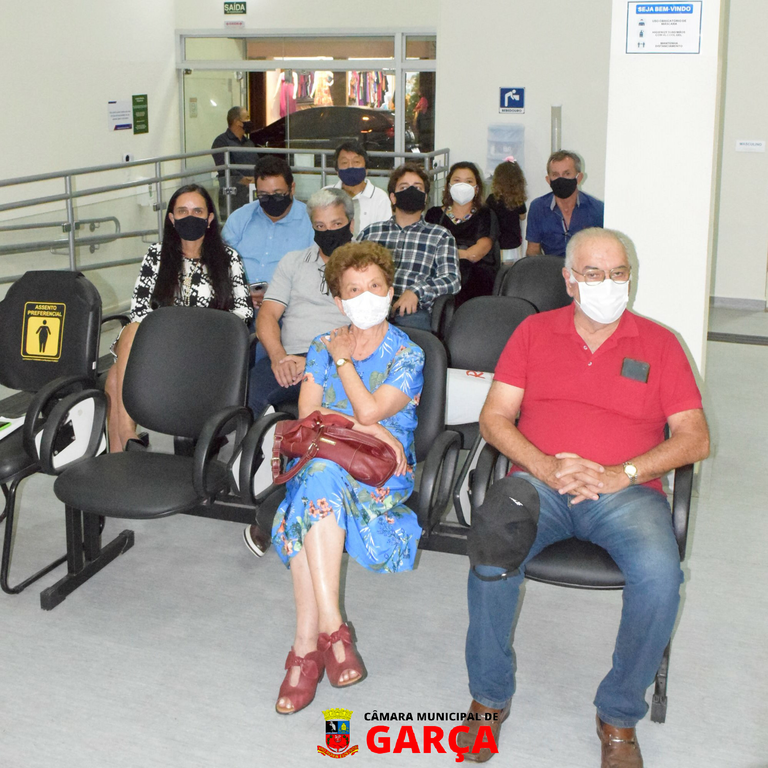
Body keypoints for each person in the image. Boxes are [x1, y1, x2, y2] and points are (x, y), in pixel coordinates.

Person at [458, 228, 710, 765]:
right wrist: (544, 465)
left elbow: (695, 438)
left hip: (627, 493)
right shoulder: (533, 332)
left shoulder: (660, 343)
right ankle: (489, 696)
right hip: (540, 484)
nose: (608, 284)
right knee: (491, 551)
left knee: (661, 578)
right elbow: (494, 417)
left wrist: (624, 472)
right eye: (594, 274)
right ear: (569, 280)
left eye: (619, 273)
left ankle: (618, 712)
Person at [270, 241, 425, 715]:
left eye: (375, 286)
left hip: (380, 471)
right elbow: (308, 413)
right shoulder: (322, 343)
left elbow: (370, 409)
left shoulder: (408, 353)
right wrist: (371, 428)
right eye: (354, 290)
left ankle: (306, 648)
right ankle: (330, 632)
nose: (367, 296)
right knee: (318, 478)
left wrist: (343, 364)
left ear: (390, 290)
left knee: (307, 496)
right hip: (326, 458)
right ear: (339, 302)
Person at [105, 184, 252, 452]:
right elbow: (140, 307)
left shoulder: (228, 258)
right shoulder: (157, 254)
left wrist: (195, 329)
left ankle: (123, 446)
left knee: (115, 378)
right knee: (132, 332)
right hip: (162, 345)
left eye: (197, 211)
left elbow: (242, 312)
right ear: (172, 219)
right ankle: (125, 442)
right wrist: (169, 333)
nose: (190, 217)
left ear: (209, 218)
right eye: (182, 211)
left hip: (208, 347)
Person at [247, 187, 353, 420]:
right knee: (248, 399)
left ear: (351, 224)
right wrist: (278, 358)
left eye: (336, 224)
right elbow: (267, 315)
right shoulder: (292, 262)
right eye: (320, 226)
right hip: (288, 358)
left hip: (342, 361)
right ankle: (250, 446)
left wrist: (314, 362)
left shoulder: (366, 266)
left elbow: (371, 328)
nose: (328, 232)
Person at [357, 162, 460, 331]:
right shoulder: (371, 233)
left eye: (417, 188)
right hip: (370, 307)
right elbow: (351, 270)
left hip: (412, 312)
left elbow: (452, 279)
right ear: (393, 197)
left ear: (425, 197)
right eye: (404, 187)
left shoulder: (440, 236)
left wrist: (417, 291)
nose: (411, 191)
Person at [221, 156, 314, 312]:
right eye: (263, 194)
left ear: (292, 189)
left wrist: (278, 295)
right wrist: (242, 292)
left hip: (292, 309)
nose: (271, 200)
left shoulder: (312, 222)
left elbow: (318, 273)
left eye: (278, 193)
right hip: (240, 305)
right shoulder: (240, 218)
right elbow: (220, 264)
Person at [425, 161, 495, 307]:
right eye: (457, 180)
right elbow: (427, 251)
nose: (462, 186)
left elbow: (476, 253)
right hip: (440, 274)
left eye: (469, 181)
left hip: (476, 277)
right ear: (448, 186)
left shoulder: (485, 214)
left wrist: (447, 255)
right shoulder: (434, 214)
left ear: (476, 188)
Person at [525, 150, 604, 257]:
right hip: (550, 266)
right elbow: (533, 250)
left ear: (579, 178)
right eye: (555, 174)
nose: (561, 179)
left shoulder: (597, 209)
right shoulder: (538, 208)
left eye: (567, 174)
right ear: (548, 180)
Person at [327, 141, 391, 234]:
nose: (350, 166)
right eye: (344, 162)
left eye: (356, 162)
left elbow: (383, 234)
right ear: (337, 171)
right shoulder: (326, 194)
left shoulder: (380, 198)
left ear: (366, 169)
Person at [211, 106, 256, 218]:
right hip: (232, 197)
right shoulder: (221, 142)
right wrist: (243, 180)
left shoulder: (249, 143)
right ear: (237, 122)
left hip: (251, 195)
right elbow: (224, 168)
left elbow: (257, 163)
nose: (249, 121)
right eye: (247, 118)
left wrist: (256, 178)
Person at [485, 158, 528, 262]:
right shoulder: (518, 200)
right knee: (512, 267)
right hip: (513, 241)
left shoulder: (491, 199)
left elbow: (486, 217)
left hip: (496, 242)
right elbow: (523, 217)